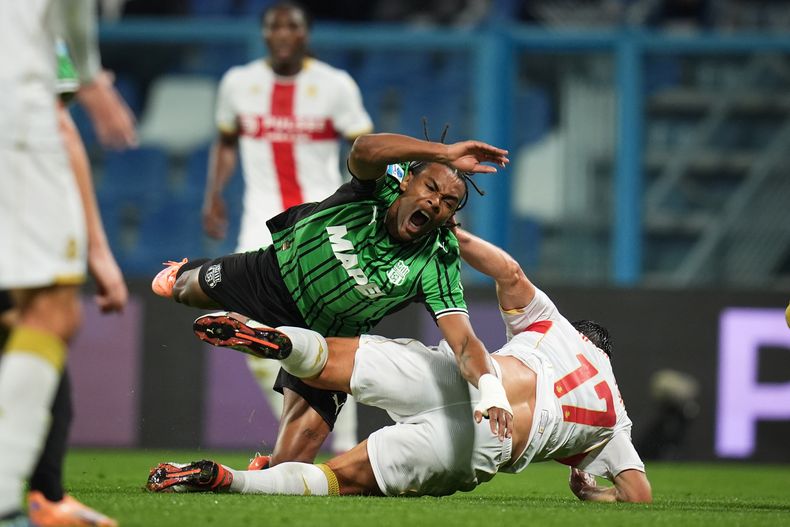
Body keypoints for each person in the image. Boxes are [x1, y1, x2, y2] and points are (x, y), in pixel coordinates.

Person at [146, 227, 651, 503]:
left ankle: (276, 338)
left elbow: (509, 271)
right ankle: (231, 481)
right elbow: (638, 496)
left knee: (337, 359)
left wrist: (453, 233)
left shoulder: (556, 328)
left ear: (584, 337)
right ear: (604, 356)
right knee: (340, 479)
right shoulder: (616, 421)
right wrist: (596, 496)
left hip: (471, 376)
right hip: (488, 439)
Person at [152, 131, 513, 467]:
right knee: (183, 290)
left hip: (327, 341)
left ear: (450, 216)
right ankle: (192, 274)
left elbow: (464, 342)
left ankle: (262, 464)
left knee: (289, 466)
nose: (435, 202)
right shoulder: (377, 188)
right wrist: (446, 152)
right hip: (275, 274)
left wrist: (491, 386)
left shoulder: (437, 258)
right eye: (430, 187)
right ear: (406, 180)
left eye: (448, 202)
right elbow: (363, 149)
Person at [203, 1, 374, 455]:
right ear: (263, 34)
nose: (282, 34)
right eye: (273, 26)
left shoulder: (335, 86)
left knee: (332, 335)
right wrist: (214, 195)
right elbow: (224, 143)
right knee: (247, 328)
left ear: (306, 34)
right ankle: (295, 433)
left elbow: (367, 149)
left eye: (291, 26)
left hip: (320, 222)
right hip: (259, 223)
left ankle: (347, 445)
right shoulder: (238, 83)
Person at [0, 1, 137, 524]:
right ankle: (21, 502)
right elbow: (61, 124)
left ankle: (39, 498)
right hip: (16, 121)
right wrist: (90, 79)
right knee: (51, 312)